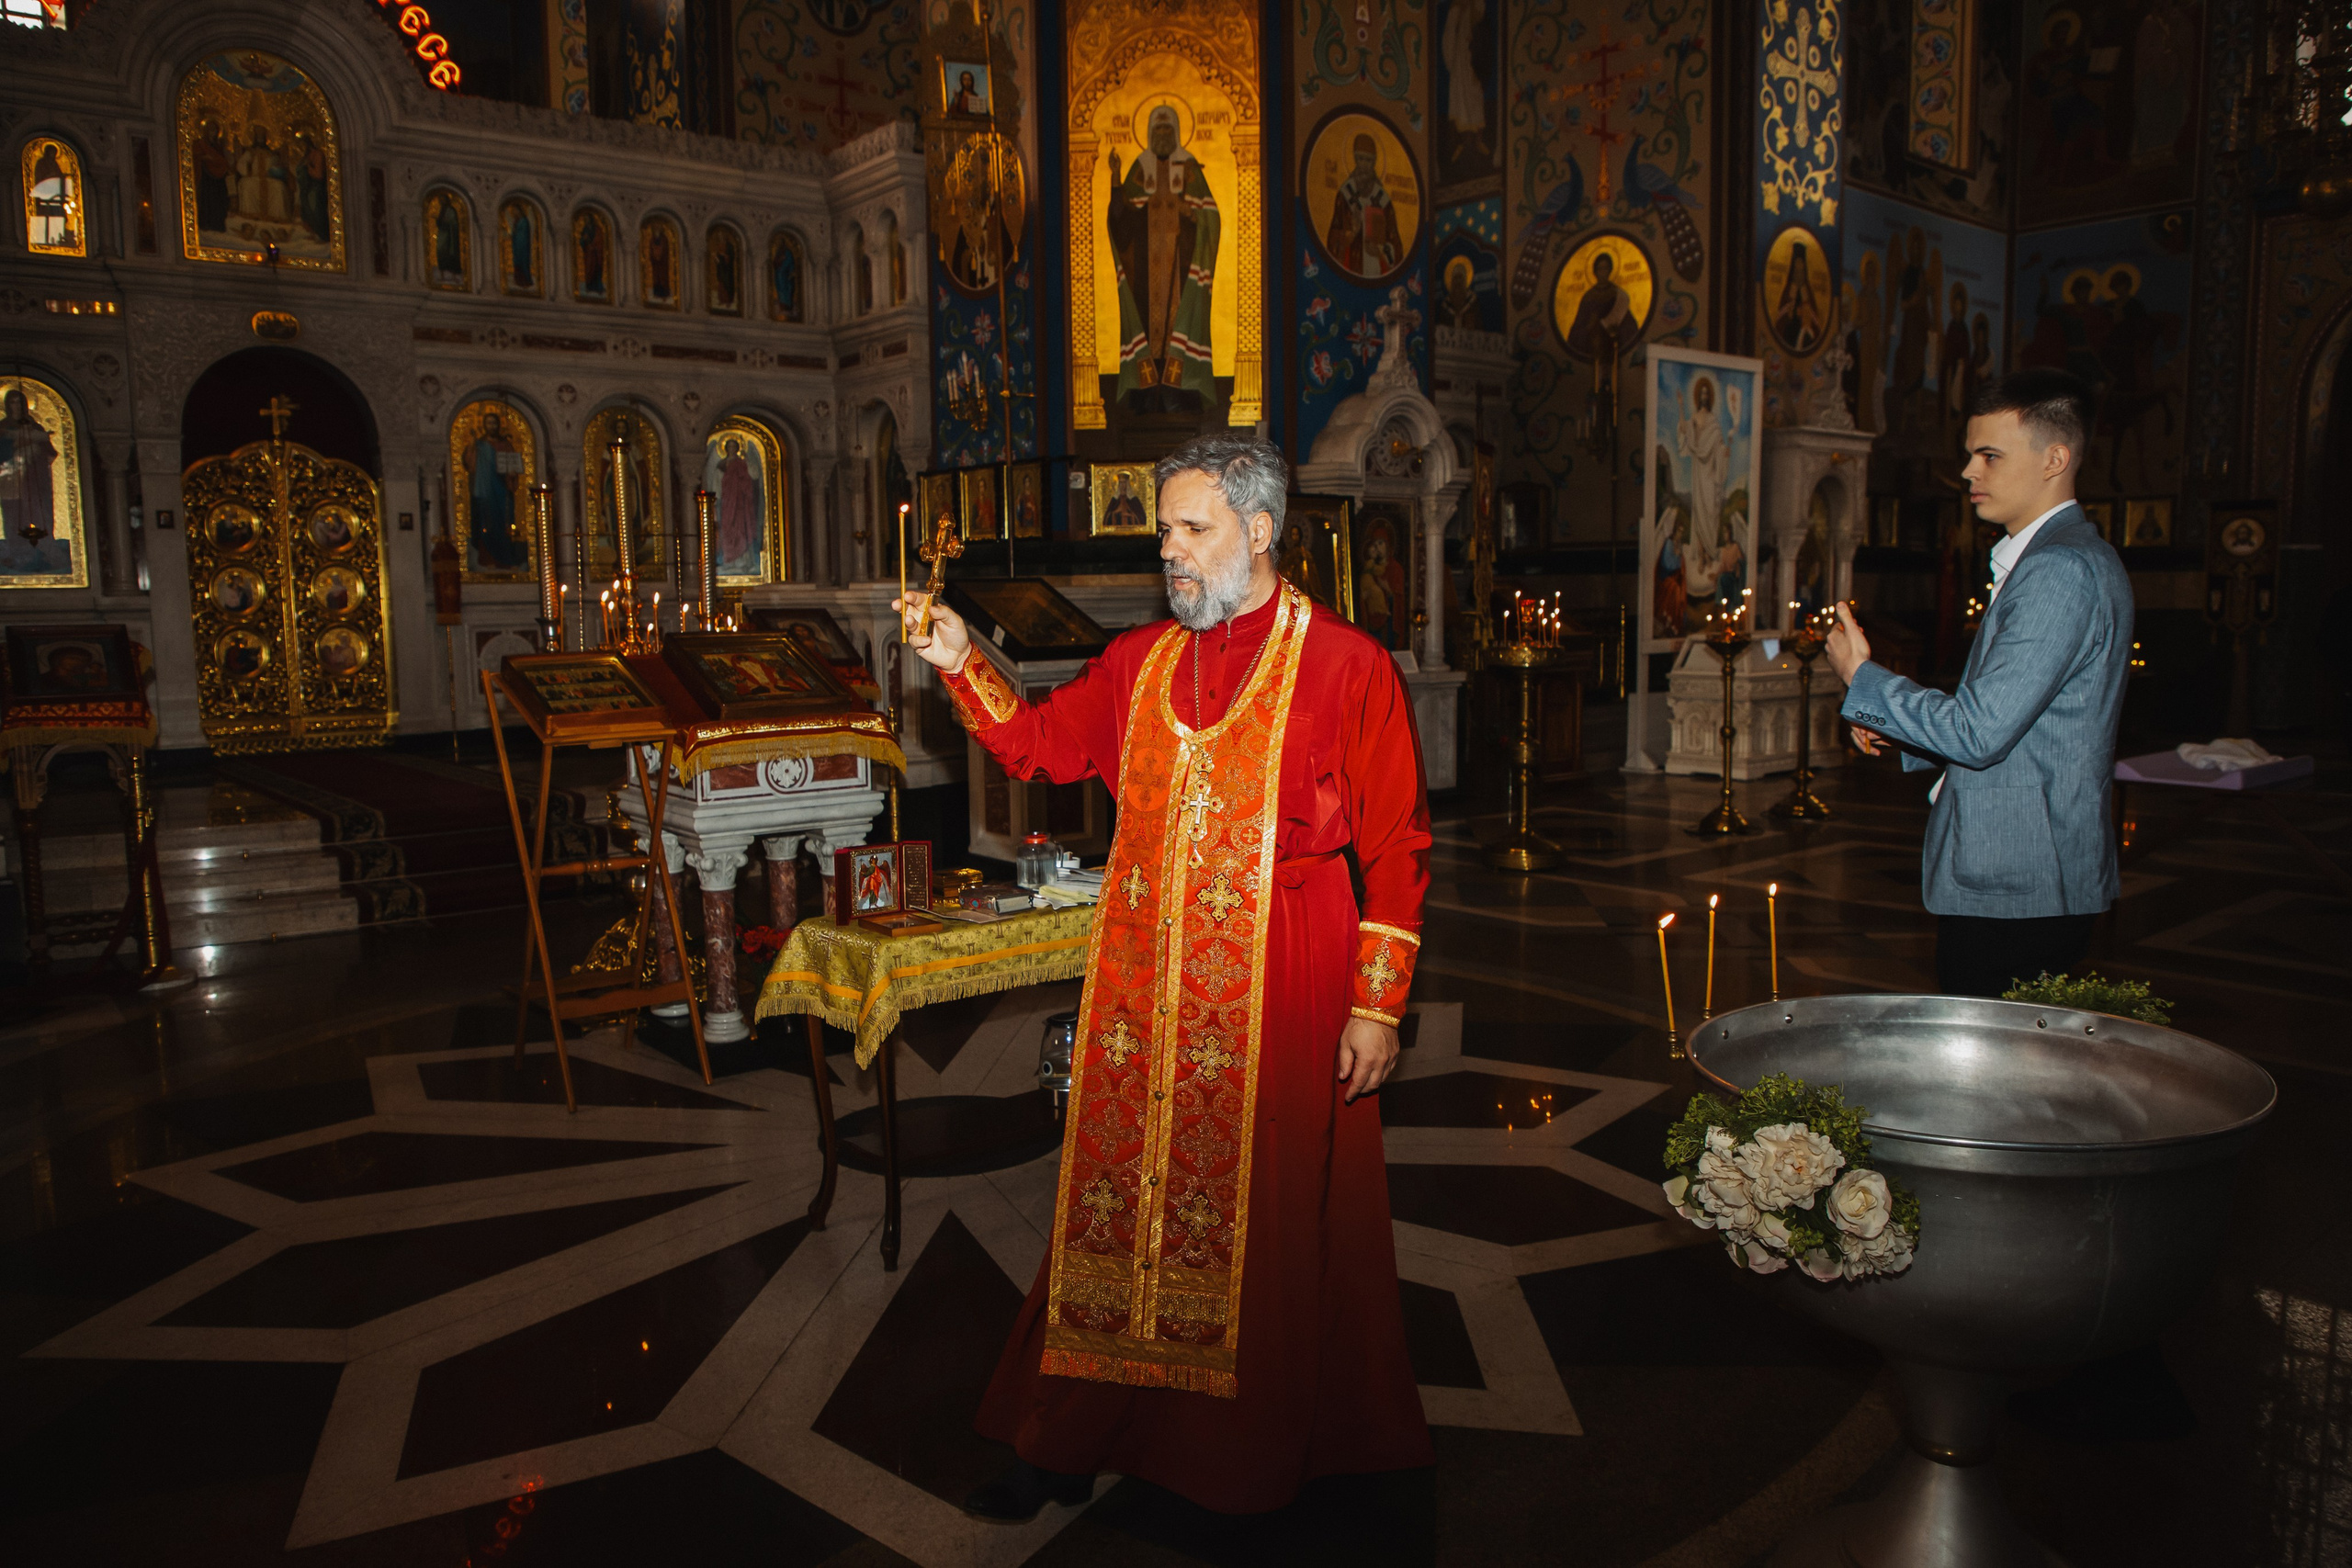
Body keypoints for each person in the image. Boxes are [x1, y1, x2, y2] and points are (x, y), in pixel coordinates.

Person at [898, 434, 1433, 1520]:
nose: (1171, 553)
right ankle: (1067, 1437)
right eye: (1164, 534)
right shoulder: (1139, 661)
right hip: (1142, 985)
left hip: (1285, 973)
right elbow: (1040, 747)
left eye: (1193, 529)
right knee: (1116, 1212)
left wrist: (1376, 1005)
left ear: (1260, 530)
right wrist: (960, 659)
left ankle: (1244, 1458)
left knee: (1267, 1221)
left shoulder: (1347, 665)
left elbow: (1397, 843)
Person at [1829, 368, 2132, 998]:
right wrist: (1897, 730)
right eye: (1971, 454)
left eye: (1990, 455)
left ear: (2054, 459)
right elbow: (2019, 720)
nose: (1969, 471)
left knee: (1990, 1055)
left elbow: (1980, 731)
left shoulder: (2059, 570)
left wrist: (1861, 678)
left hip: (2021, 881)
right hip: (2025, 877)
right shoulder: (2061, 557)